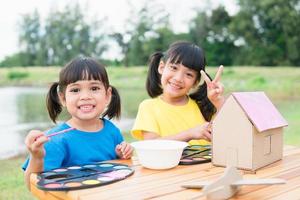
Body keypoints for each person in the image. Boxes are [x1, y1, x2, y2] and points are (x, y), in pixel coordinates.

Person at [23, 57, 133, 189]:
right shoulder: (55, 140)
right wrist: (37, 157)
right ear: (63, 98)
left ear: (107, 95)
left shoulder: (112, 131)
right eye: (75, 90)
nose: (85, 96)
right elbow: (32, 185)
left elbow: (121, 171)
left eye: (94, 88)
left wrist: (123, 155)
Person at [131, 41, 225, 145]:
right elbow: (151, 145)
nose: (178, 78)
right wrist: (190, 134)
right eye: (174, 68)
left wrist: (217, 101)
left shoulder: (203, 107)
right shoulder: (148, 107)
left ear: (195, 82)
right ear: (161, 67)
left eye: (189, 74)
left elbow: (227, 137)